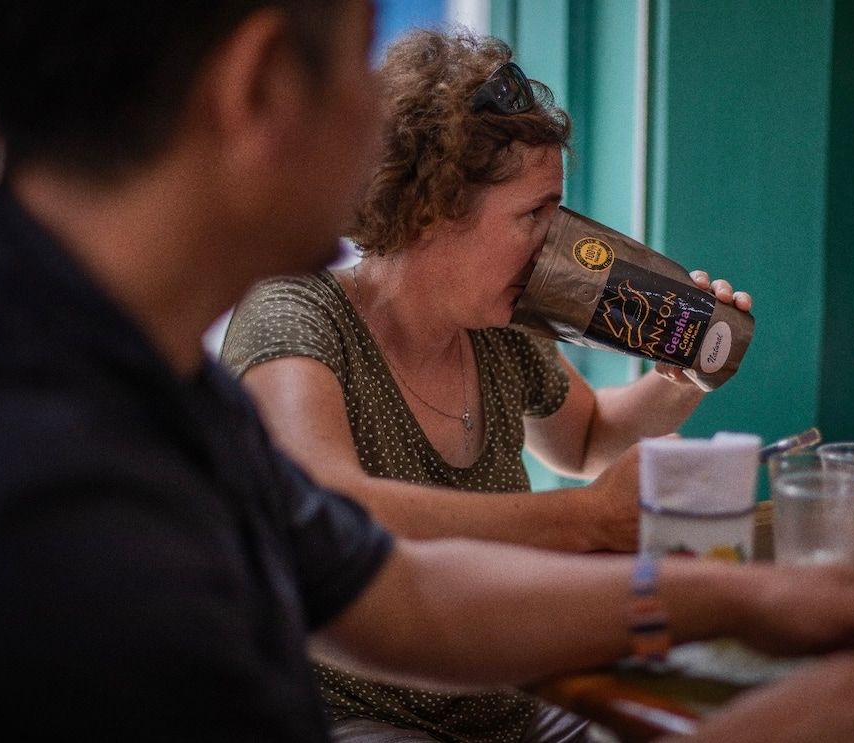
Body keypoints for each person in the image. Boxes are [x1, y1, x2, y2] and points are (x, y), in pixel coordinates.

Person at [0, 2, 854, 742]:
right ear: (263, 82)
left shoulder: (140, 371)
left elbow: (401, 597)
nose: (377, 121)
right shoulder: (46, 489)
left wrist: (745, 604)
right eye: (361, 59)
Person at [219, 29, 750, 741]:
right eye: (534, 215)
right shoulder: (294, 311)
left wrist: (683, 376)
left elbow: (588, 439)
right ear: (434, 208)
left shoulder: (499, 323)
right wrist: (588, 517)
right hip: (349, 716)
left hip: (505, 700)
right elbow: (333, 510)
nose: (556, 244)